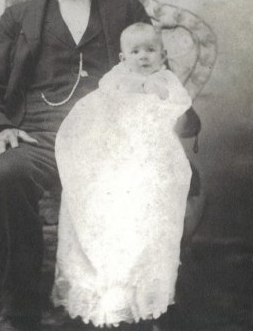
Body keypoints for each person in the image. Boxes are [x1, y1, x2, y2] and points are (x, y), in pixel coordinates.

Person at [0, 0, 200, 331]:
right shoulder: (18, 17)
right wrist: (0, 127)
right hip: (37, 136)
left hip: (111, 138)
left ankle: (127, 302)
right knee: (9, 172)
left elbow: (158, 71)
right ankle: (21, 307)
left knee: (151, 175)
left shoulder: (124, 9)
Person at [52, 23, 193, 329]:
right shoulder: (118, 78)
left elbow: (178, 108)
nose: (143, 57)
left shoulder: (167, 81)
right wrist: (132, 89)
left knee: (152, 205)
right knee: (106, 196)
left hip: (154, 151)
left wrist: (158, 93)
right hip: (117, 149)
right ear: (122, 56)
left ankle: (145, 293)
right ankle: (108, 289)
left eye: (151, 50)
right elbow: (104, 103)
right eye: (135, 51)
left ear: (163, 55)